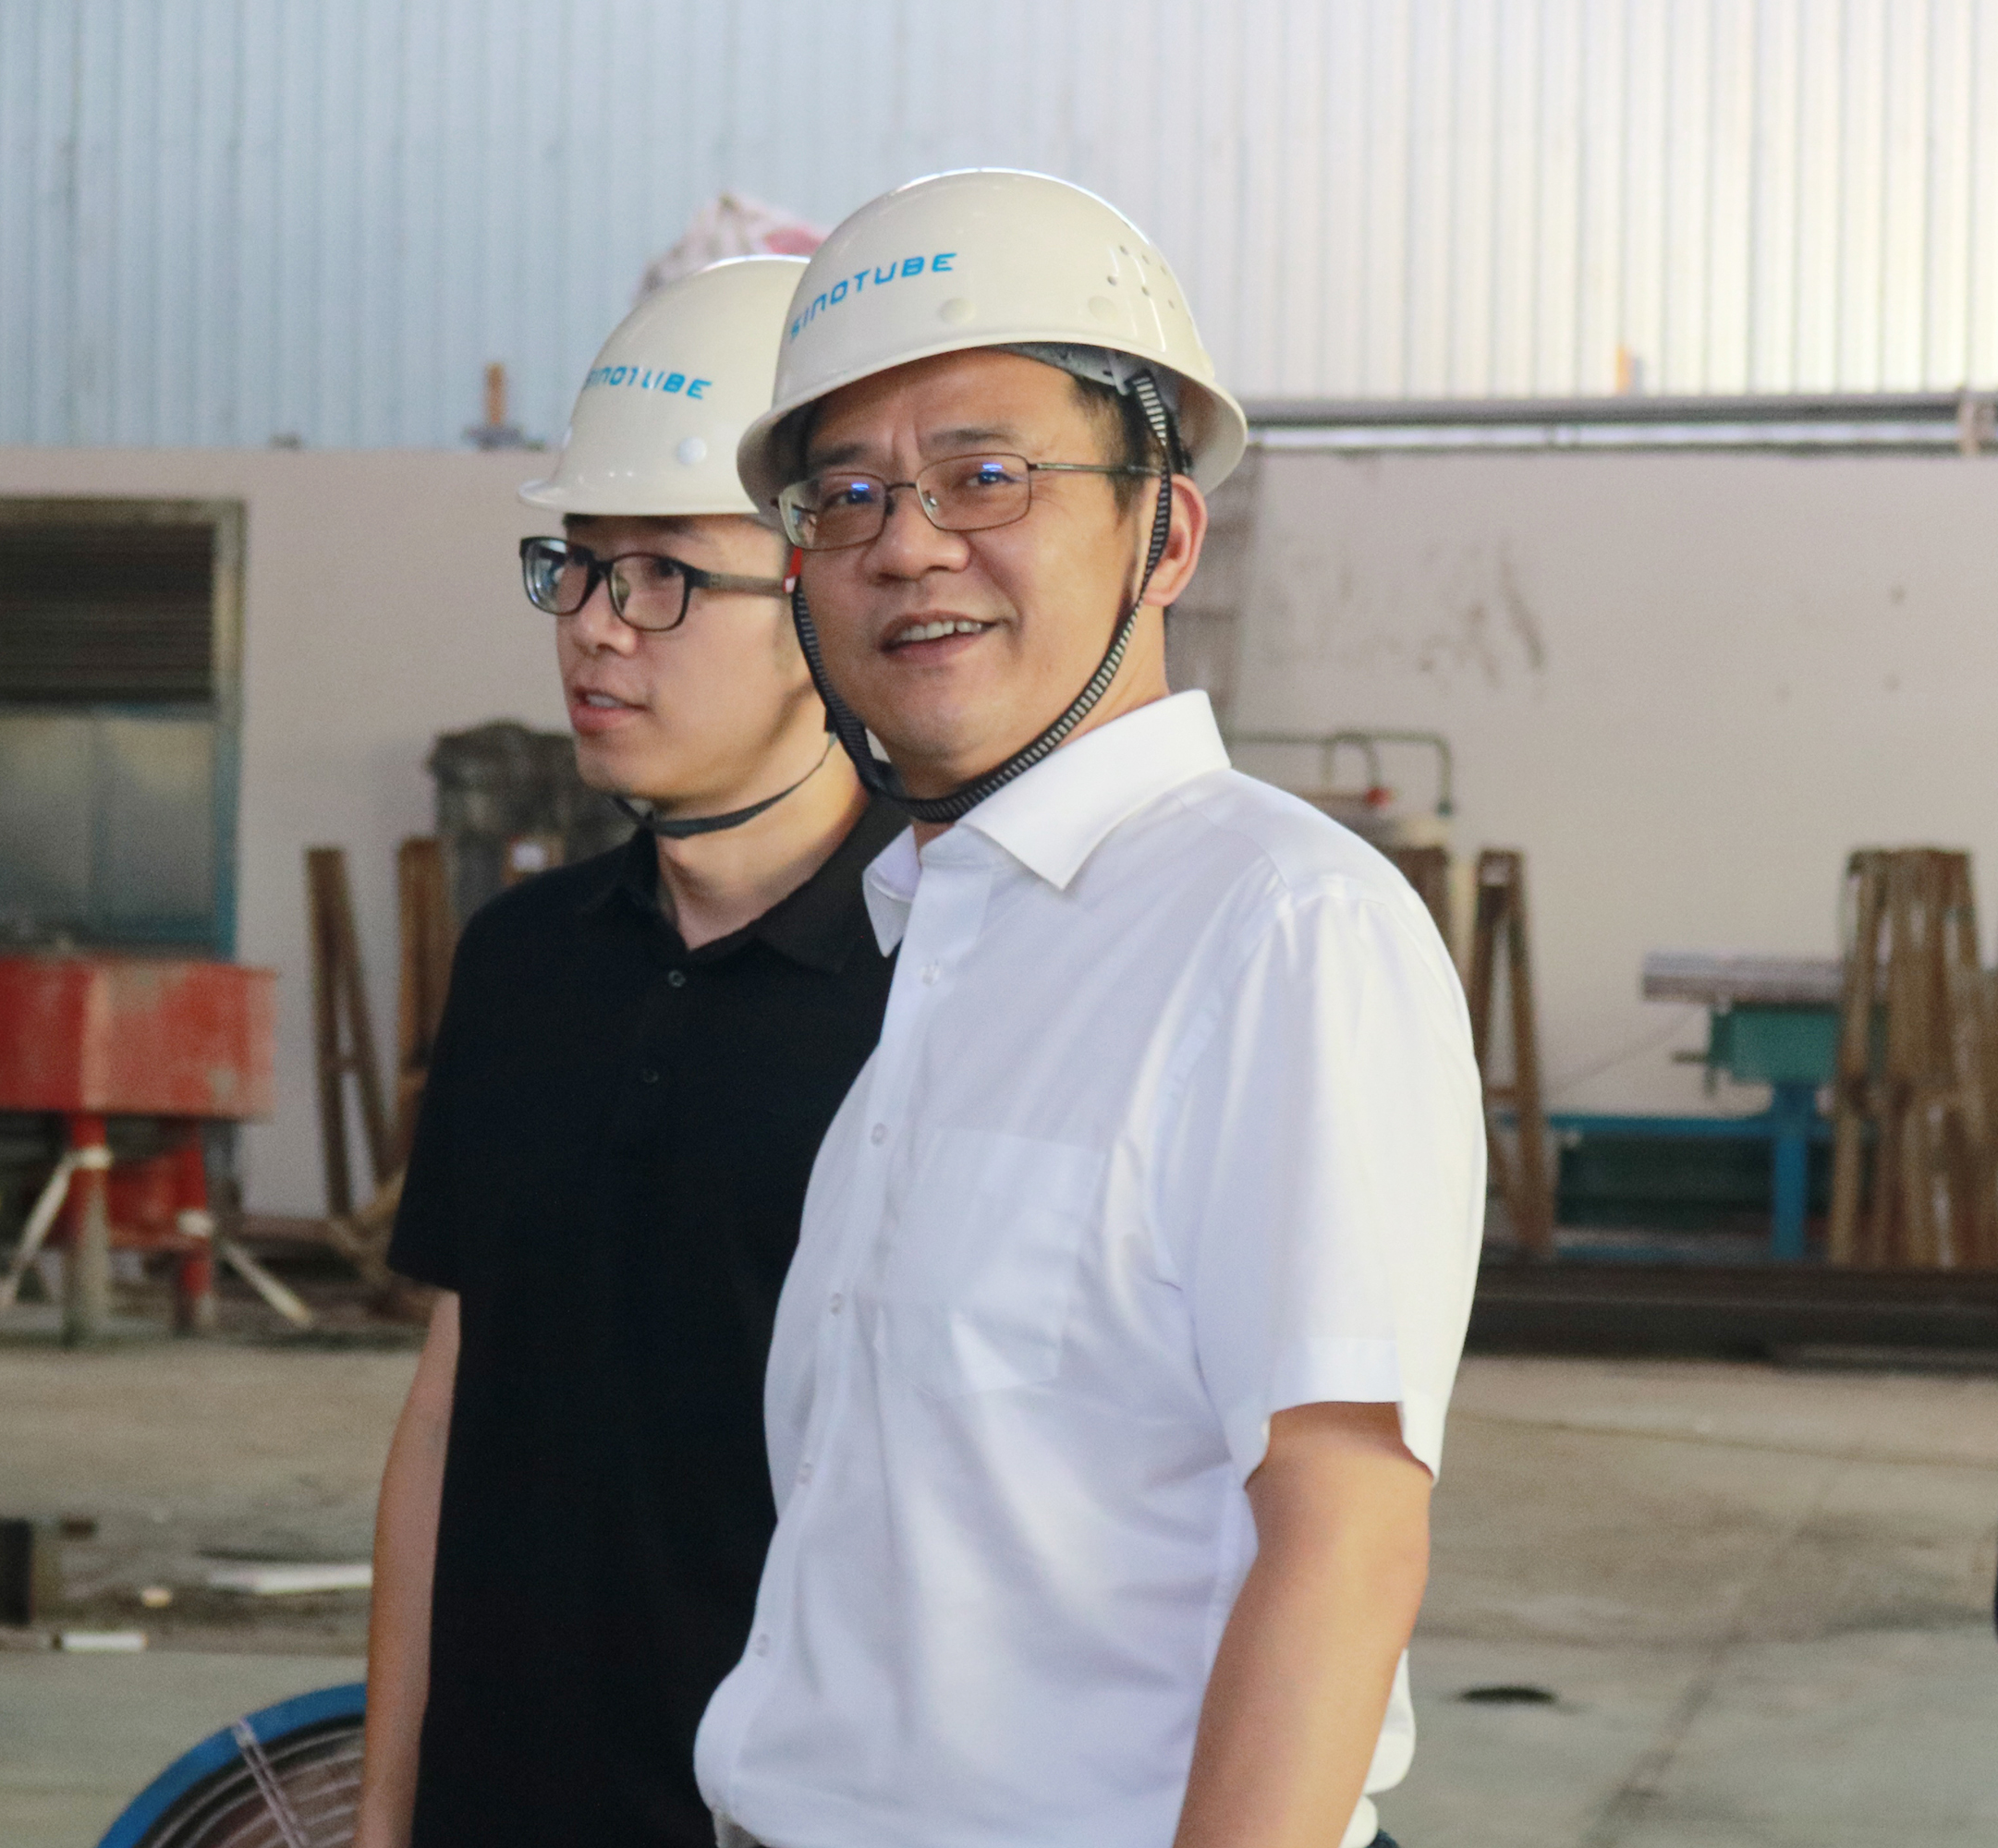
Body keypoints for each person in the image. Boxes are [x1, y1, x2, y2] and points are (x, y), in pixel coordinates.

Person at [691, 169, 1484, 1848]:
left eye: (986, 476)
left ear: (1164, 535)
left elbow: (1344, 1529)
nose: (908, 542)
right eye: (846, 495)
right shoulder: (945, 946)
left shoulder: (1282, 929)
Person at [354, 255, 902, 1848]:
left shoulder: (945, 973)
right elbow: (448, 1411)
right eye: (577, 570)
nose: (595, 633)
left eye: (663, 577)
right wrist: (388, 1810)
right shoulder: (524, 963)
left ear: (818, 603)